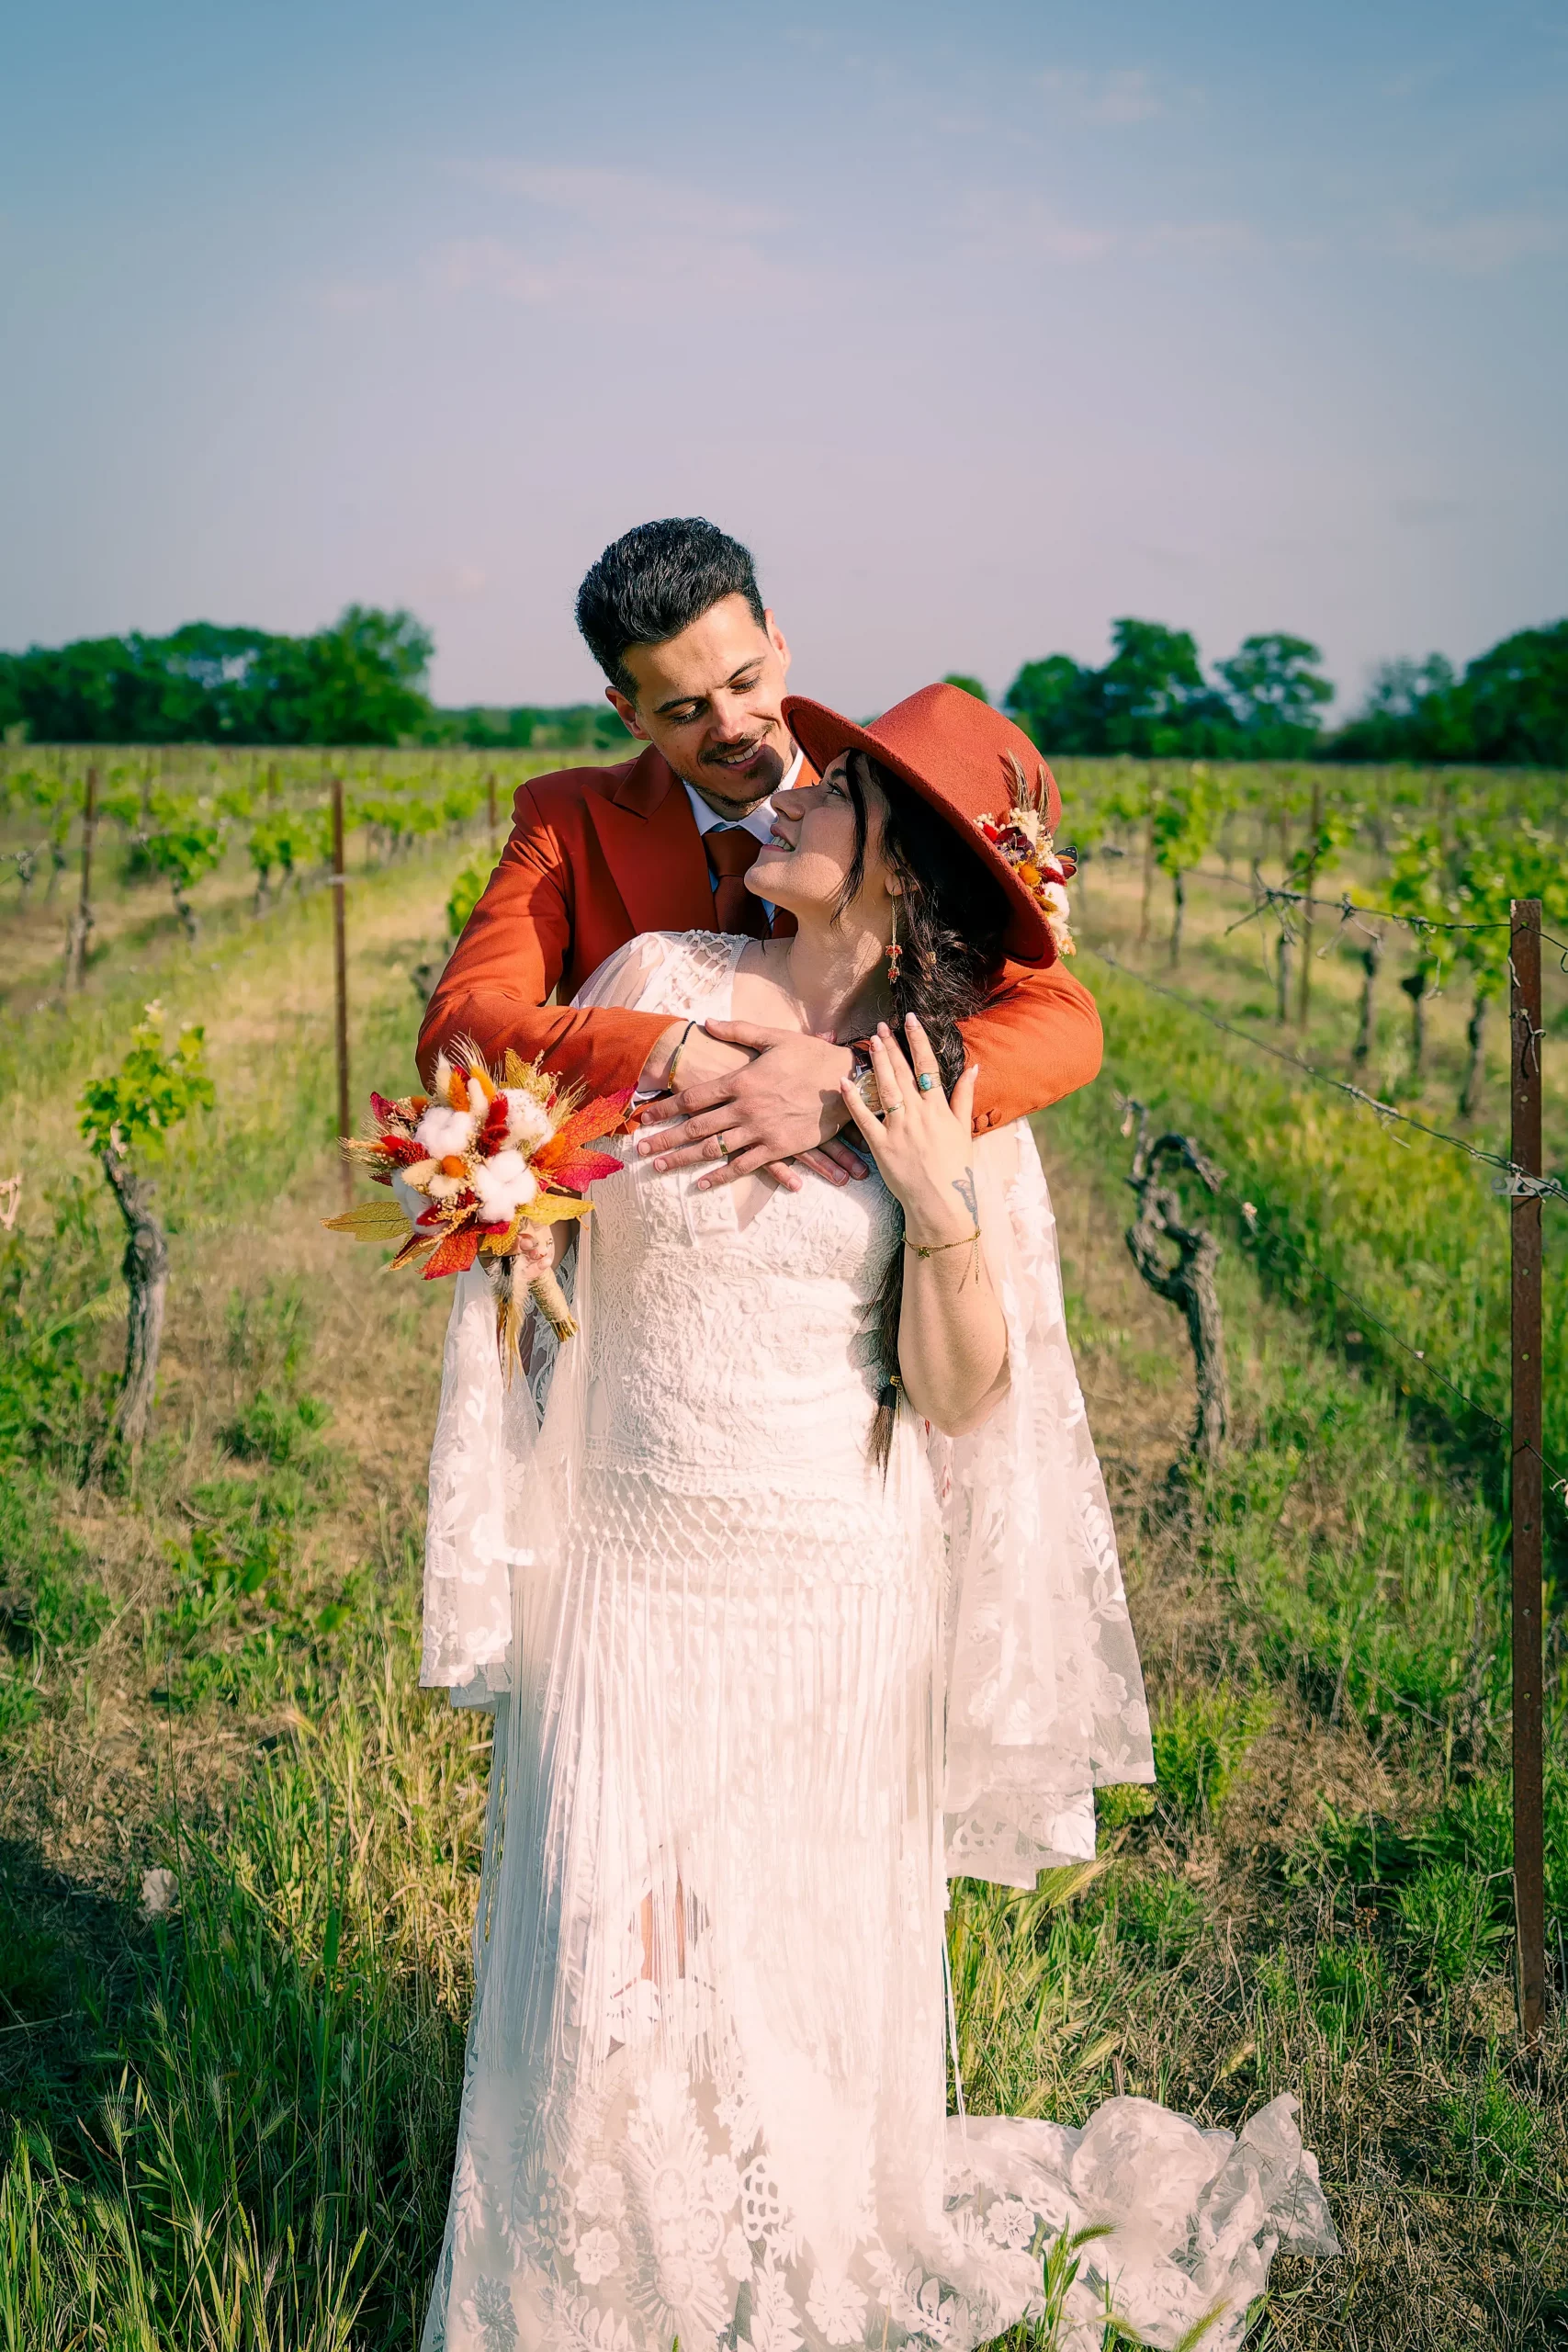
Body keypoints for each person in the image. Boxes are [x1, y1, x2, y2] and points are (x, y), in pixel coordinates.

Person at [416, 683, 1337, 2352]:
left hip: (830, 1585)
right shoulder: (652, 986)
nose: (777, 801)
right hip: (632, 1564)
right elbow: (535, 1152)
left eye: (828, 798)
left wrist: (935, 1208)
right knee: (605, 1940)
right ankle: (604, 2278)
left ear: (897, 870)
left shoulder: (937, 1082)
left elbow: (964, 1394)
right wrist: (524, 1235)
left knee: (781, 1954)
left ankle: (779, 2266)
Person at [417, 519, 1104, 1196]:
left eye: (744, 682)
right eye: (685, 711)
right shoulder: (565, 820)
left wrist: (854, 1083)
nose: (732, 727)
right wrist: (666, 1049)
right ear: (629, 715)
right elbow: (460, 1028)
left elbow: (1061, 1025)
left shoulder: (894, 817)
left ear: (777, 640)